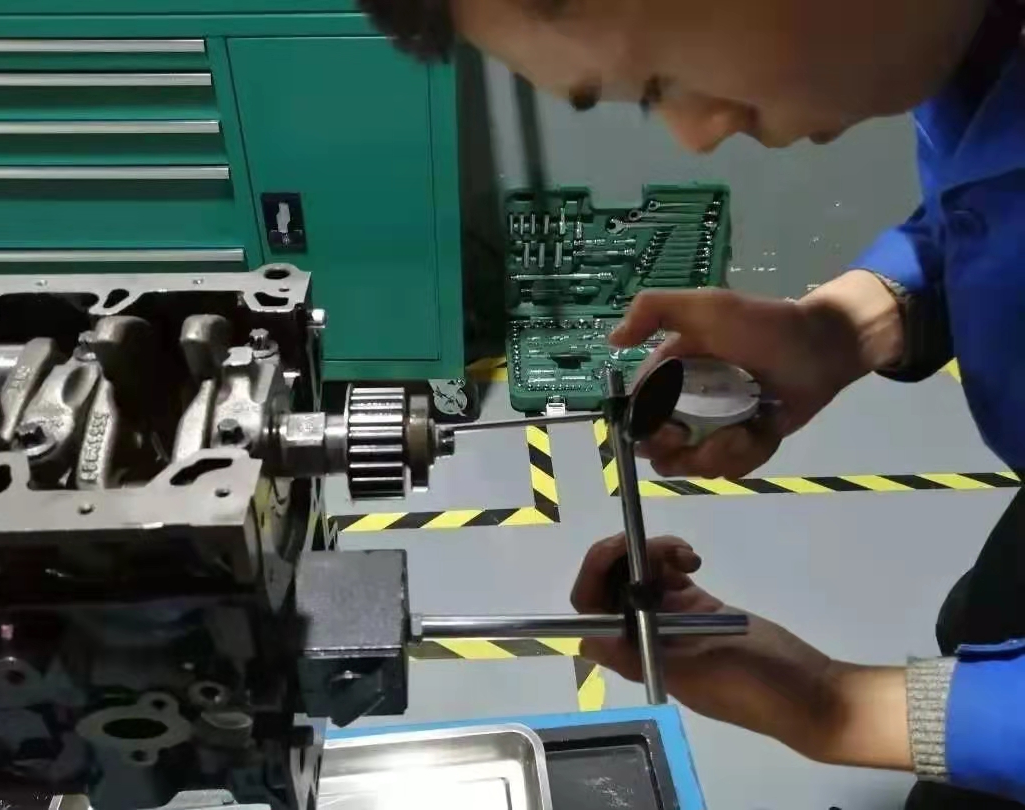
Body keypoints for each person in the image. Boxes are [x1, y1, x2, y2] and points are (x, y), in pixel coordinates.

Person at [357, 0, 1025, 806]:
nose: (697, 135)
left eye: (659, 79)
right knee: (979, 627)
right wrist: (844, 328)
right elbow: (987, 211)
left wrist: (834, 706)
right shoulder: (971, 44)